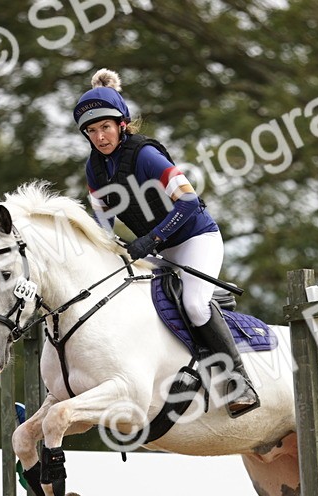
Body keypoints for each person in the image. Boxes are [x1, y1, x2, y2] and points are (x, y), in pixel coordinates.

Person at [72, 68, 260, 418]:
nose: (99, 137)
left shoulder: (145, 156)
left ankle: (239, 382)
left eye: (105, 128)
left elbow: (188, 202)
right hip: (158, 251)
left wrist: (151, 239)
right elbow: (101, 225)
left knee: (193, 304)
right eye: (92, 131)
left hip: (195, 238)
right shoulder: (95, 171)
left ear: (121, 125)